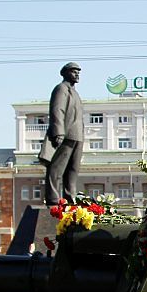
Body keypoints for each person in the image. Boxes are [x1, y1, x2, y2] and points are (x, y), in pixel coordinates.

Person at [43, 62, 84, 205]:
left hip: (78, 135)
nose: (77, 74)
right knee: (57, 168)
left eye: (78, 71)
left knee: (73, 170)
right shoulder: (61, 89)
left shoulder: (75, 93)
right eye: (74, 71)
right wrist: (58, 132)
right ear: (65, 73)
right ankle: (53, 199)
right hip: (66, 135)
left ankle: (70, 197)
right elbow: (57, 110)